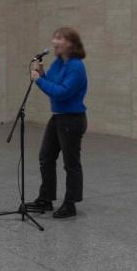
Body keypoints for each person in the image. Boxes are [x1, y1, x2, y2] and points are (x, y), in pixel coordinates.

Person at [25, 26, 88, 219]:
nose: (54, 42)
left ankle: (70, 204)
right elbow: (50, 82)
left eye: (59, 39)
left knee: (71, 163)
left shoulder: (76, 66)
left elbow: (61, 92)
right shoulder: (59, 63)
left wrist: (38, 80)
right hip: (59, 117)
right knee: (46, 157)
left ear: (70, 44)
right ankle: (46, 198)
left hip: (72, 119)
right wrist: (42, 73)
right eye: (54, 38)